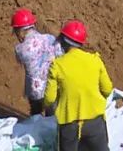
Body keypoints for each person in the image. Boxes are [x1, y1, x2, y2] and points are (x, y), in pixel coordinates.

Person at [44, 20, 113, 151]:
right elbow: (107, 89)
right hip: (95, 122)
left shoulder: (57, 65)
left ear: (63, 41)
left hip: (69, 124)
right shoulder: (95, 60)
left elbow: (49, 99)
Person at [12, 8, 63, 115]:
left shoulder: (20, 49)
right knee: (53, 117)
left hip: (36, 90)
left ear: (20, 32)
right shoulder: (50, 38)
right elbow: (60, 55)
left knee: (36, 117)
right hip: (53, 85)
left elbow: (21, 61)